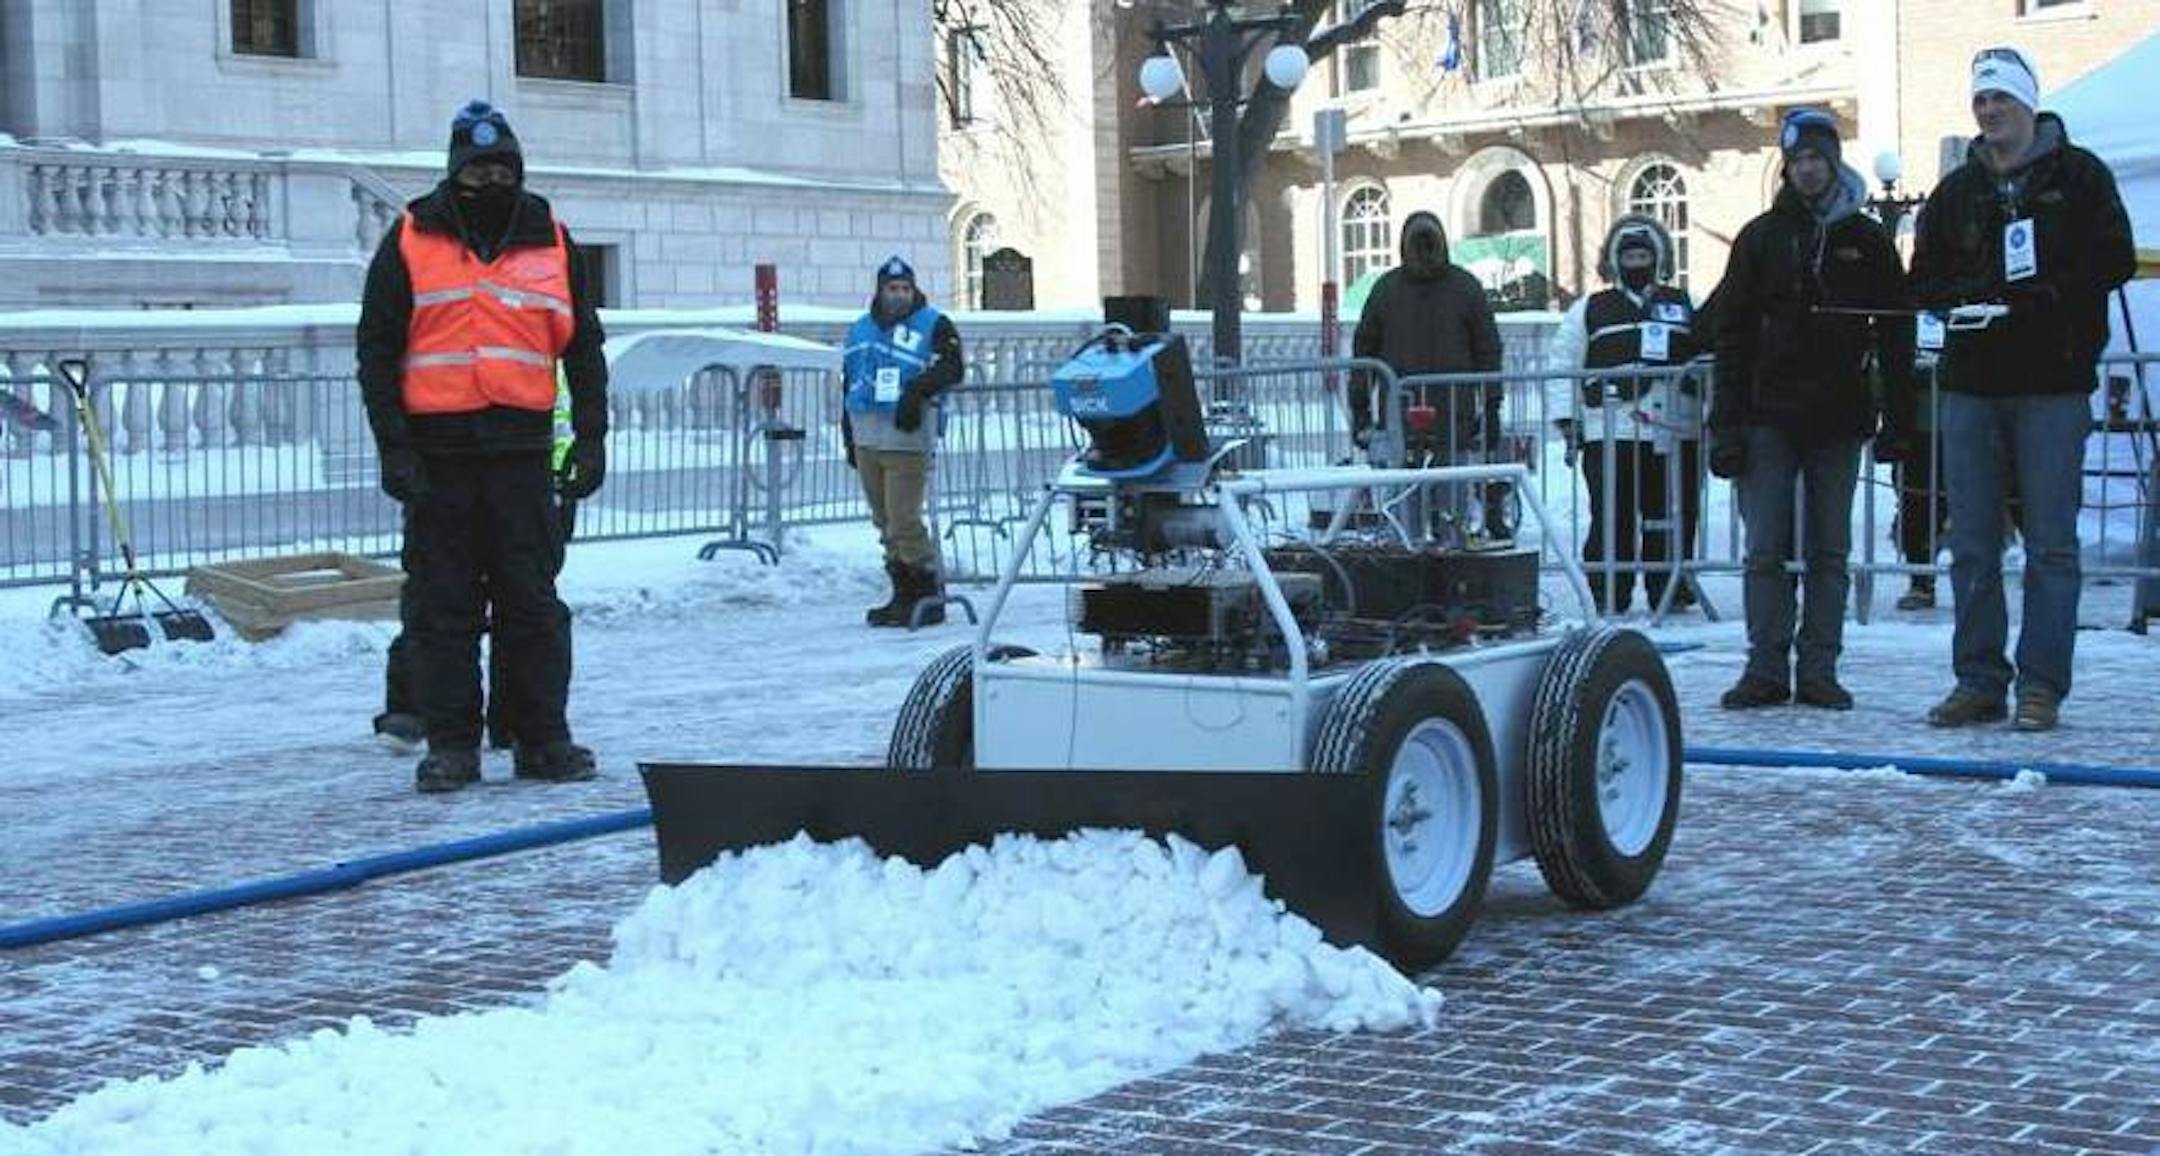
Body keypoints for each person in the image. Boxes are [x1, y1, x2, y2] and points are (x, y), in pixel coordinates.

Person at [357, 100, 609, 792]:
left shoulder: (550, 238)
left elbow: (583, 347)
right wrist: (394, 448)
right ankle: (453, 743)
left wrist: (591, 437)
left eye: (503, 169)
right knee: (445, 608)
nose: (492, 181)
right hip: (439, 461)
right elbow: (377, 350)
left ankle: (541, 737)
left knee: (533, 604)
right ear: (453, 175)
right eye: (477, 171)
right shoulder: (411, 238)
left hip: (522, 457)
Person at [1908, 47, 2135, 732]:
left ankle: (2042, 684)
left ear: (2028, 103)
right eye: (1981, 99)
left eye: (2001, 97)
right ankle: (1978, 679)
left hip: (2051, 383)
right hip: (1973, 384)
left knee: (2051, 543)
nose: (1989, 109)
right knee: (1973, 541)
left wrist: (2051, 295)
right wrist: (1959, 300)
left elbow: (2116, 256)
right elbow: (1922, 279)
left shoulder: (2081, 175)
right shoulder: (1956, 191)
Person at [1707, 107, 1916, 711]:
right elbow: (1731, 335)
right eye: (1797, 160)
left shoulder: (1867, 240)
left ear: (1833, 162)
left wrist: (1899, 420)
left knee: (1830, 549)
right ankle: (1765, 666)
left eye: (1817, 159)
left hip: (1838, 417)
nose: (1807, 171)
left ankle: (1819, 666)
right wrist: (1727, 423)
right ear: (1786, 166)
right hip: (1767, 415)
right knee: (1765, 547)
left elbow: (1896, 332)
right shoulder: (1759, 238)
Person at [1545, 215, 1705, 615]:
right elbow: (1563, 361)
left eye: (1643, 255)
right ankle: (1606, 589)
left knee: (1670, 510)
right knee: (1610, 513)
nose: (1637, 263)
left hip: (1672, 426)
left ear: (1658, 258)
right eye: (1630, 255)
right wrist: (1568, 420)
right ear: (1616, 261)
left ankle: (1670, 586)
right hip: (1609, 427)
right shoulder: (1590, 308)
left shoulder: (1685, 303)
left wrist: (1708, 407)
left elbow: (1707, 355)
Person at [1350, 210, 1510, 544]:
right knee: (1413, 502)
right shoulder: (1392, 289)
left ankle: (1442, 563)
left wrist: (1492, 406)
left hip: (1448, 413)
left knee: (1445, 502)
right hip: (1412, 414)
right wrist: (1361, 410)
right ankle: (1417, 561)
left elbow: (1488, 349)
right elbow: (1365, 356)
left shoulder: (1458, 287)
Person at [844, 256, 964, 627]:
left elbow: (952, 366)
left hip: (906, 435)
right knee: (883, 521)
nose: (899, 295)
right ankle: (901, 593)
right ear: (879, 291)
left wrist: (917, 391)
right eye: (892, 289)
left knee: (903, 520)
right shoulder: (860, 328)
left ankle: (927, 593)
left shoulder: (934, 324)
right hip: (866, 434)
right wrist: (846, 433)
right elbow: (848, 381)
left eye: (905, 289)